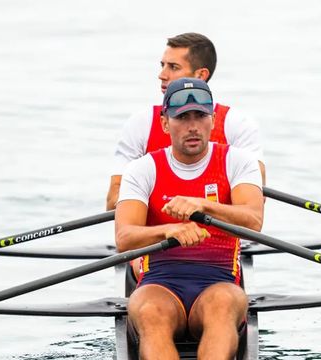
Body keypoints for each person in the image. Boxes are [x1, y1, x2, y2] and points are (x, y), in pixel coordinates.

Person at [115, 77, 264, 359]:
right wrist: (168, 231)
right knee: (149, 313)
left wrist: (205, 208)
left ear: (213, 120)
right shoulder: (142, 170)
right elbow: (124, 239)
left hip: (219, 281)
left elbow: (253, 221)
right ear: (164, 123)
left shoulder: (238, 162)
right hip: (159, 283)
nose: (193, 126)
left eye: (200, 116)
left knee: (222, 307)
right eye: (182, 117)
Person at [107, 32, 265, 211]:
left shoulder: (237, 124)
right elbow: (114, 201)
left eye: (173, 67)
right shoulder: (140, 124)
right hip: (158, 234)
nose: (162, 75)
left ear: (200, 75)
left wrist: (199, 205)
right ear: (165, 124)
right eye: (162, 65)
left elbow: (255, 199)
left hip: (224, 235)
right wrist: (170, 205)